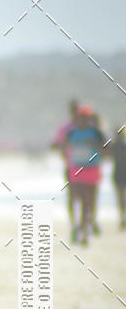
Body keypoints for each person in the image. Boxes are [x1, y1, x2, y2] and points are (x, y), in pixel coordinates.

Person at [63, 106, 105, 246]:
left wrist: (96, 146)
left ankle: (84, 230)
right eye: (80, 117)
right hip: (76, 170)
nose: (83, 120)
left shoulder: (96, 132)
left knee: (89, 202)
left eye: (85, 117)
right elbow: (63, 148)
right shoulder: (71, 133)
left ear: (89, 118)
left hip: (91, 170)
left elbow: (107, 148)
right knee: (76, 199)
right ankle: (76, 226)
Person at [52, 99, 79, 240]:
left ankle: (80, 223)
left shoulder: (87, 127)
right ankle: (75, 224)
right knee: (73, 197)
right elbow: (57, 144)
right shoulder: (66, 128)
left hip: (85, 168)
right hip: (71, 167)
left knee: (81, 198)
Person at [110, 126, 126, 230]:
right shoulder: (114, 146)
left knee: (121, 198)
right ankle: (122, 218)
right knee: (120, 198)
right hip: (118, 173)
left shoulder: (118, 146)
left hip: (119, 173)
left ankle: (122, 219)